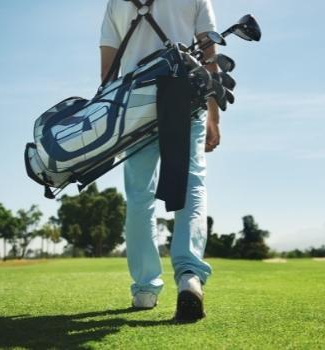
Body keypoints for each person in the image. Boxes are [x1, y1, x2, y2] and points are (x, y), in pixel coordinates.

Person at [99, 0, 220, 322]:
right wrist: (214, 115)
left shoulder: (117, 2)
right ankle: (189, 276)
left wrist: (108, 126)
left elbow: (108, 70)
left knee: (139, 196)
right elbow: (208, 53)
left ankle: (144, 289)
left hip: (133, 104)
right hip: (184, 94)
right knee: (192, 184)